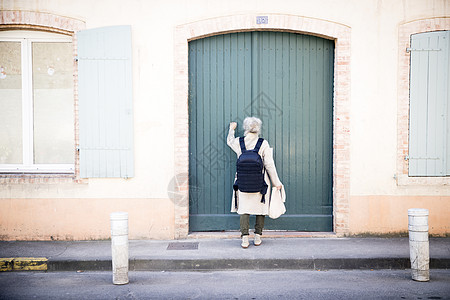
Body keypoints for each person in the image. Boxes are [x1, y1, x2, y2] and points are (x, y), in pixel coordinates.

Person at [227, 117, 283, 248]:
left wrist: (231, 129)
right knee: (260, 209)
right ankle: (257, 237)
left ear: (246, 128)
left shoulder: (239, 142)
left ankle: (244, 239)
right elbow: (269, 165)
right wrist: (276, 182)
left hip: (243, 181)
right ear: (258, 128)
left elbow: (229, 141)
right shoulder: (263, 143)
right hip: (260, 182)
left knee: (244, 209)